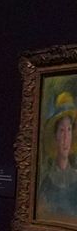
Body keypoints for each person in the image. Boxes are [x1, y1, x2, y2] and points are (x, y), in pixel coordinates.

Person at [40, 90, 77, 220]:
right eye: (61, 130)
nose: (66, 138)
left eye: (69, 130)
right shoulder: (47, 184)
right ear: (55, 136)